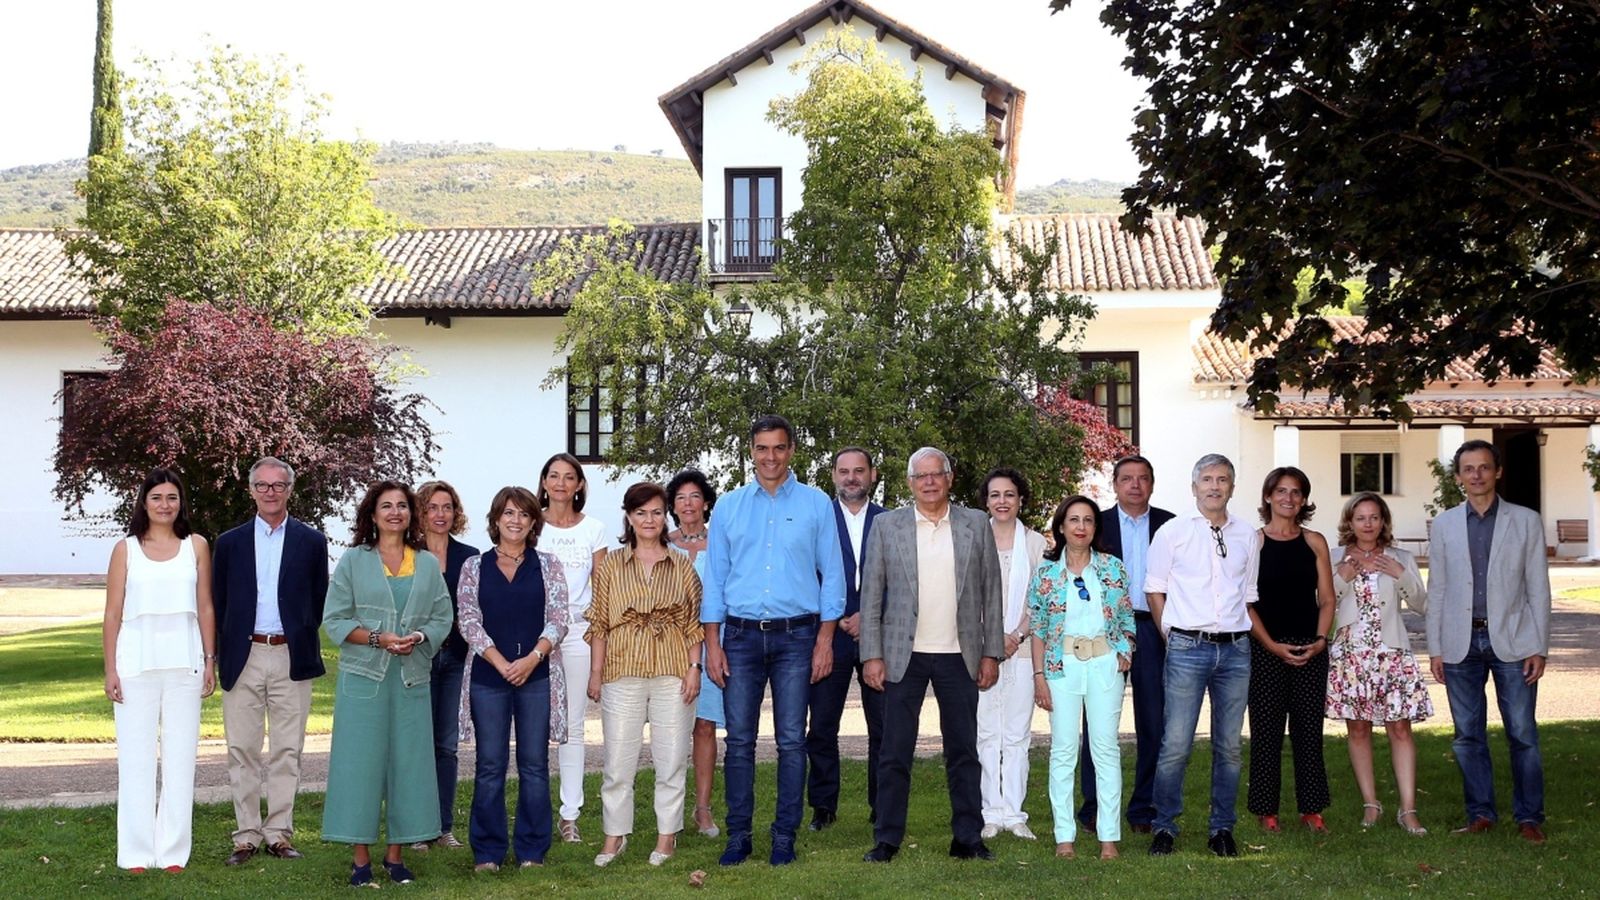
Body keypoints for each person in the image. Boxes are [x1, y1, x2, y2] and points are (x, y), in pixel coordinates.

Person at [702, 415, 846, 867]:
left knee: (790, 741)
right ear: (751, 452)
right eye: (762, 448)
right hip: (740, 636)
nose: (770, 457)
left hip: (798, 637)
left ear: (791, 451)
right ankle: (738, 835)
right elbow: (716, 579)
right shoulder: (728, 506)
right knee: (739, 741)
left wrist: (825, 641)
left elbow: (834, 576)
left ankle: (785, 835)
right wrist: (713, 642)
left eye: (779, 448)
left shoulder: (817, 504)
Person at [859, 446, 1003, 864]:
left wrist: (991, 652)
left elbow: (991, 593)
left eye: (936, 474)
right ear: (909, 483)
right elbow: (870, 597)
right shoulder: (888, 526)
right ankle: (886, 840)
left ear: (949, 478)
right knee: (894, 752)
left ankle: (968, 839)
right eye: (920, 476)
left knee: (963, 752)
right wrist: (872, 654)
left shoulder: (977, 524)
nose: (929, 482)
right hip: (903, 656)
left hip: (960, 655)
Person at [321, 481, 454, 886]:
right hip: (364, 683)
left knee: (409, 767)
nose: (395, 512)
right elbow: (335, 619)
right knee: (359, 768)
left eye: (402, 506)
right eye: (386, 506)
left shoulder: (427, 563)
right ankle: (361, 860)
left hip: (411, 679)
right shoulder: (354, 561)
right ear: (372, 514)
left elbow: (442, 618)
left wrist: (417, 639)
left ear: (411, 514)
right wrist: (379, 639)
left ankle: (396, 858)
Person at [1426, 439, 1552, 844]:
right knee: (1467, 735)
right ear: (1459, 476)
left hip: (1513, 642)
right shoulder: (1444, 524)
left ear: (1497, 472)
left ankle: (1529, 817)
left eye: (1484, 467)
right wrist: (1436, 649)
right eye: (1468, 468)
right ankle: (1480, 813)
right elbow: (1439, 590)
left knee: (1522, 733)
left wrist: (1540, 646)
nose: (1476, 475)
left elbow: (1538, 588)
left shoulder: (1526, 521)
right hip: (1461, 644)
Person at [212, 456, 329, 866]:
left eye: (278, 485)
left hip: (290, 657)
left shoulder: (312, 542)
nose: (270, 492)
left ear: (290, 490)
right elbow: (218, 601)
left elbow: (319, 599)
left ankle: (278, 832)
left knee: (287, 750)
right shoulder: (229, 543)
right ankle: (246, 835)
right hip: (243, 655)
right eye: (262, 486)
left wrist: (298, 631)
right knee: (242, 748)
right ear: (251, 490)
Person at [103, 468, 217, 872]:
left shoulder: (197, 546)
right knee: (134, 760)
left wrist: (209, 660)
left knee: (181, 758)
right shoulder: (126, 549)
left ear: (180, 503)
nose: (165, 505)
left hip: (185, 664)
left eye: (172, 497)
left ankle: (172, 852)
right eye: (157, 498)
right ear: (144, 503)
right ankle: (135, 852)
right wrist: (110, 669)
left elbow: (205, 606)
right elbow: (113, 613)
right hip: (135, 664)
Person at [1146, 453, 1260, 858]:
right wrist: (1171, 634)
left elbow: (1248, 595)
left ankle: (1221, 829)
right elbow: (1154, 588)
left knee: (1228, 745)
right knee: (1176, 743)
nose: (1215, 486)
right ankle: (1164, 827)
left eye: (1223, 479)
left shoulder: (1248, 535)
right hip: (1186, 649)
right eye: (1207, 479)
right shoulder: (1172, 532)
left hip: (1235, 651)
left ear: (1232, 486)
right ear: (1194, 487)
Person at [587, 482, 705, 867]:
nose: (649, 520)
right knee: (618, 761)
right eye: (641, 513)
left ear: (665, 514)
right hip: (623, 672)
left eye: (656, 512)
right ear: (629, 517)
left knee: (670, 759)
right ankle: (614, 836)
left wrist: (693, 669)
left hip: (673, 672)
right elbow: (600, 624)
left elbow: (693, 625)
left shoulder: (683, 566)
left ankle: (666, 836)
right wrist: (596, 673)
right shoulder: (610, 568)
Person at [456, 486, 570, 871]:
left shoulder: (549, 565)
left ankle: (532, 850)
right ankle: (487, 852)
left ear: (533, 521)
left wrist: (532, 658)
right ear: (495, 520)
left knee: (534, 764)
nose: (515, 520)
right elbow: (467, 620)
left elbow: (559, 619)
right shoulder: (474, 566)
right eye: (508, 513)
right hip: (489, 678)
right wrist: (501, 660)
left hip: (536, 678)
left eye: (523, 514)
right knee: (490, 764)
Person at [1028, 495, 1134, 860]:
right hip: (1061, 668)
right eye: (1073, 520)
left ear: (1095, 527)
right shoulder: (1046, 573)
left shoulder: (1113, 569)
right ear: (1061, 526)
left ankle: (1108, 838)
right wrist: (1039, 675)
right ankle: (1064, 838)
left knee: (1105, 750)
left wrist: (1125, 650)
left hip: (1104, 665)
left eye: (1088, 520)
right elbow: (1039, 627)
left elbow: (1126, 616)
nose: (1080, 527)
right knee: (1063, 751)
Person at [1327, 491, 1433, 835]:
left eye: (1374, 517)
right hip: (1350, 654)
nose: (1368, 524)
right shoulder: (1333, 556)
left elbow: (1422, 605)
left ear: (1383, 521)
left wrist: (1401, 573)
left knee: (1400, 728)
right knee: (1357, 729)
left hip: (1391, 655)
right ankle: (1371, 805)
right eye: (1361, 518)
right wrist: (1342, 575)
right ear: (1350, 522)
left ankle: (1408, 809)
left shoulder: (1401, 557)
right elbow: (1321, 601)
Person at [1078, 454, 1173, 834]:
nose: (1135, 485)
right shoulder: (1096, 524)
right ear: (1115, 484)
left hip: (1153, 628)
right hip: (1105, 632)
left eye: (1143, 478)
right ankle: (1094, 807)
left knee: (1154, 722)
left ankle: (1143, 808)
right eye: (1127, 479)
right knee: (1099, 722)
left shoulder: (1170, 526)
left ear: (1152, 484)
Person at [1246, 467, 1335, 833]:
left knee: (1308, 732)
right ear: (1268, 497)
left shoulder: (1315, 542)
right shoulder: (1253, 542)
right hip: (1265, 648)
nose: (1288, 498)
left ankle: (1312, 810)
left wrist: (1318, 640)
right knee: (1266, 733)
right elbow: (1245, 603)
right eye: (1281, 491)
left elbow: (1327, 599)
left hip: (1309, 648)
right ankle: (1267, 812)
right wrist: (1271, 645)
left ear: (1303, 499)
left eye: (1296, 492)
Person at [806, 447, 887, 831]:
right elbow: (807, 574)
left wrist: (869, 616)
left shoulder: (890, 522)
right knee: (822, 726)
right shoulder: (817, 519)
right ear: (833, 475)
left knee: (884, 728)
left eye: (859, 471)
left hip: (879, 638)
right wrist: (835, 616)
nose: (851, 478)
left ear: (872, 475)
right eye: (844, 471)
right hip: (829, 635)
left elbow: (903, 580)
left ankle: (882, 806)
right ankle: (823, 807)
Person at [537, 452, 610, 843]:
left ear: (580, 484)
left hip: (579, 635)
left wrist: (598, 653)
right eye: (554, 476)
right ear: (544, 482)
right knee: (534, 725)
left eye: (569, 477)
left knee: (573, 728)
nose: (561, 483)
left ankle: (570, 815)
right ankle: (534, 809)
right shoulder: (532, 526)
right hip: (535, 638)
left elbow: (602, 592)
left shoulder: (594, 529)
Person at [977, 466, 1048, 841]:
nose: (1002, 501)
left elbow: (1042, 599)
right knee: (986, 732)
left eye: (1009, 494)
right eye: (994, 495)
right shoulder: (973, 539)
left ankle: (1015, 814)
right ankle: (990, 812)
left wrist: (1016, 634)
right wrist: (991, 638)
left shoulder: (1036, 544)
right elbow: (965, 598)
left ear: (1020, 500)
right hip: (981, 653)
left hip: (1022, 650)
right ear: (986, 501)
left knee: (1017, 733)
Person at [413, 480, 480, 851]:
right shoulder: (407, 553)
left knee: (446, 745)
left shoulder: (469, 557)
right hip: (415, 658)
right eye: (432, 507)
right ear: (420, 512)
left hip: (455, 659)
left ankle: (442, 826)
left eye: (447, 507)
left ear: (456, 513)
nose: (440, 514)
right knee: (414, 744)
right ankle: (416, 828)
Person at [666, 468, 723, 838]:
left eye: (695, 496)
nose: (688, 504)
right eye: (681, 498)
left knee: (705, 727)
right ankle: (667, 811)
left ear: (706, 502)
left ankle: (702, 809)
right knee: (670, 731)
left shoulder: (722, 541)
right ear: (672, 505)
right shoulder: (659, 541)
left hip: (713, 641)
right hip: (667, 647)